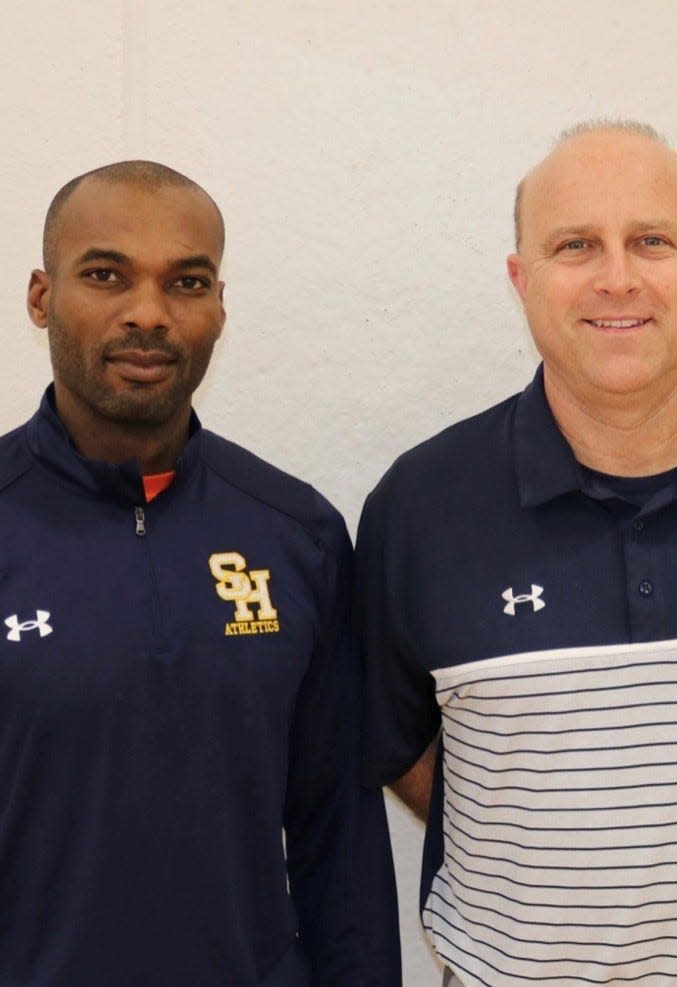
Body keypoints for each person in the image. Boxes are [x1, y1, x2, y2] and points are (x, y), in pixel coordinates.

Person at [356, 120, 677, 986]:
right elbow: (399, 744)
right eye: (576, 245)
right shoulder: (420, 508)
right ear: (521, 279)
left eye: (652, 240)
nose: (618, 276)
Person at [1, 161, 400, 987]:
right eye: (106, 275)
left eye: (186, 281)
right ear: (42, 296)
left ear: (219, 307)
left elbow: (340, 843)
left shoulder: (299, 535)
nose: (148, 312)